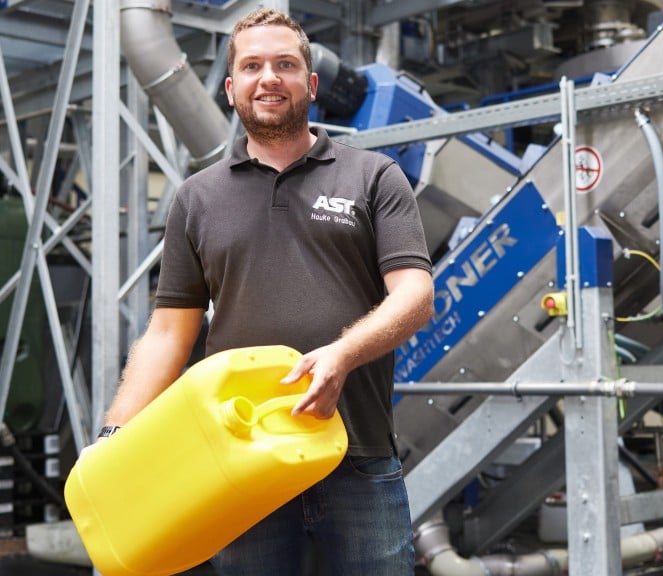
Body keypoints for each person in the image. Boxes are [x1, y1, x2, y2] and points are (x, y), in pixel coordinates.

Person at [93, 8, 434, 575]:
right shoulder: (196, 199)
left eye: (285, 64)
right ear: (231, 89)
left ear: (311, 83)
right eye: (251, 66)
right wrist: (114, 433)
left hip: (356, 456)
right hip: (236, 460)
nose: (268, 77)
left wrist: (341, 356)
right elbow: (167, 335)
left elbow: (415, 296)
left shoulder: (374, 177)